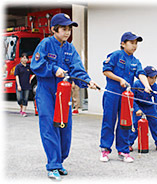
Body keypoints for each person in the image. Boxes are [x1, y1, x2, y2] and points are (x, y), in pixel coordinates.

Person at [30, 13, 98, 181]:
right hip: (46, 92)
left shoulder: (70, 48)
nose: (67, 32)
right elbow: (36, 64)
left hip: (63, 93)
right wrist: (54, 69)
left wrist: (88, 81)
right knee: (49, 127)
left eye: (69, 29)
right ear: (54, 29)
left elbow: (77, 68)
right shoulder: (45, 44)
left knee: (64, 128)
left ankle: (59, 162)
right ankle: (52, 165)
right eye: (64, 29)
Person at [100, 32, 152, 163]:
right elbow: (106, 71)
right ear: (123, 44)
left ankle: (123, 151)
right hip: (112, 93)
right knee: (109, 121)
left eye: (136, 43)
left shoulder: (136, 61)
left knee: (125, 123)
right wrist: (119, 79)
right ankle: (105, 149)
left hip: (127, 96)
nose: (134, 46)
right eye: (132, 43)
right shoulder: (116, 55)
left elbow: (141, 74)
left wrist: (146, 86)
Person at [128, 66, 157, 152]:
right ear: (145, 77)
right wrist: (136, 109)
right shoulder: (136, 84)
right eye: (151, 78)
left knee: (156, 124)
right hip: (138, 106)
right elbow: (131, 99)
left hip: (149, 106)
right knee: (135, 124)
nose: (154, 80)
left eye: (155, 78)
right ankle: (128, 143)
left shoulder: (155, 86)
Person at [14, 53, 35, 117]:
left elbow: (34, 73)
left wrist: (31, 79)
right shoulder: (18, 67)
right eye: (23, 58)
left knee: (25, 99)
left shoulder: (28, 67)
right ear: (21, 59)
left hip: (27, 85)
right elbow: (16, 76)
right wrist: (18, 85)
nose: (25, 59)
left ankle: (23, 111)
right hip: (20, 85)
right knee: (19, 98)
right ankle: (21, 107)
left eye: (26, 58)